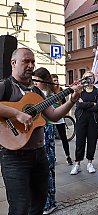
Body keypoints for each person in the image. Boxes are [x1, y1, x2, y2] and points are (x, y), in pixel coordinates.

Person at [0, 48, 81, 215]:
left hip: (39, 154)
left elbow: (53, 114)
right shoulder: (5, 86)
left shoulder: (36, 91)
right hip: (15, 157)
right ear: (13, 63)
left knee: (39, 204)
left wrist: (72, 101)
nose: (31, 65)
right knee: (19, 208)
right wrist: (17, 113)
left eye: (33, 62)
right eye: (26, 61)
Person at [33, 68, 58, 214]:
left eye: (37, 80)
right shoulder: (34, 93)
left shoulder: (51, 95)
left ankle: (50, 202)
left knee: (48, 167)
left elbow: (51, 115)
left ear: (43, 81)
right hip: (37, 132)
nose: (34, 83)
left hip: (47, 131)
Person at [70, 71, 98, 175]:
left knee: (92, 141)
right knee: (80, 141)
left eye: (90, 77)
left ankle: (90, 162)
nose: (89, 79)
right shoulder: (80, 92)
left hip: (93, 120)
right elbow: (78, 105)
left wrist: (85, 104)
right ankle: (77, 164)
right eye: (86, 77)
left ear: (94, 79)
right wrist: (91, 104)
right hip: (81, 119)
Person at [51, 74, 73, 165]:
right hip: (50, 118)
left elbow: (64, 103)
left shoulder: (60, 90)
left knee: (64, 138)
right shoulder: (49, 92)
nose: (56, 82)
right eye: (54, 80)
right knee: (51, 139)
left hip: (59, 117)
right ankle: (53, 157)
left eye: (57, 80)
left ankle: (68, 156)